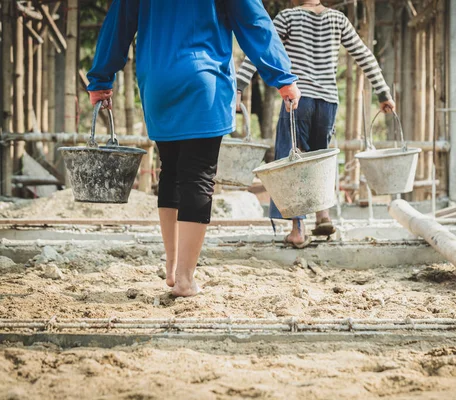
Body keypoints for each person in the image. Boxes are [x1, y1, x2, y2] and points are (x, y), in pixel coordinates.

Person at [87, 0, 300, 297]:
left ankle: (173, 267)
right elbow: (253, 22)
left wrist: (100, 79)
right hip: (204, 80)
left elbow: (118, 24)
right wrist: (282, 77)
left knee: (171, 171)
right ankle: (186, 279)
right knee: (198, 175)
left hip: (158, 82)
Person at [236, 1, 395, 249]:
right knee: (321, 159)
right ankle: (323, 215)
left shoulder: (287, 17)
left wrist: (238, 86)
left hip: (297, 99)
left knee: (292, 161)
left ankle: (298, 228)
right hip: (328, 102)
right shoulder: (338, 19)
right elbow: (364, 55)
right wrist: (383, 93)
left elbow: (261, 49)